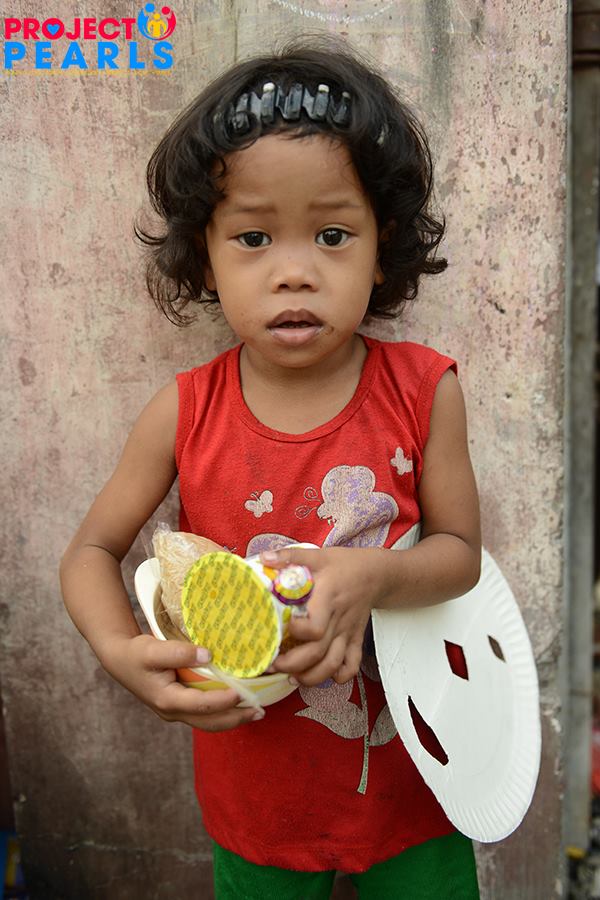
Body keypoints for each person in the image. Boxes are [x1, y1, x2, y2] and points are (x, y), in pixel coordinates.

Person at [60, 36, 482, 899]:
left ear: (382, 245)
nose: (294, 273)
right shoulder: (185, 412)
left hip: (417, 780)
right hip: (256, 795)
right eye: (253, 237)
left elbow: (461, 557)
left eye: (333, 234)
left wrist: (373, 576)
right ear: (205, 254)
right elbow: (90, 554)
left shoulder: (423, 390)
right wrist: (119, 649)